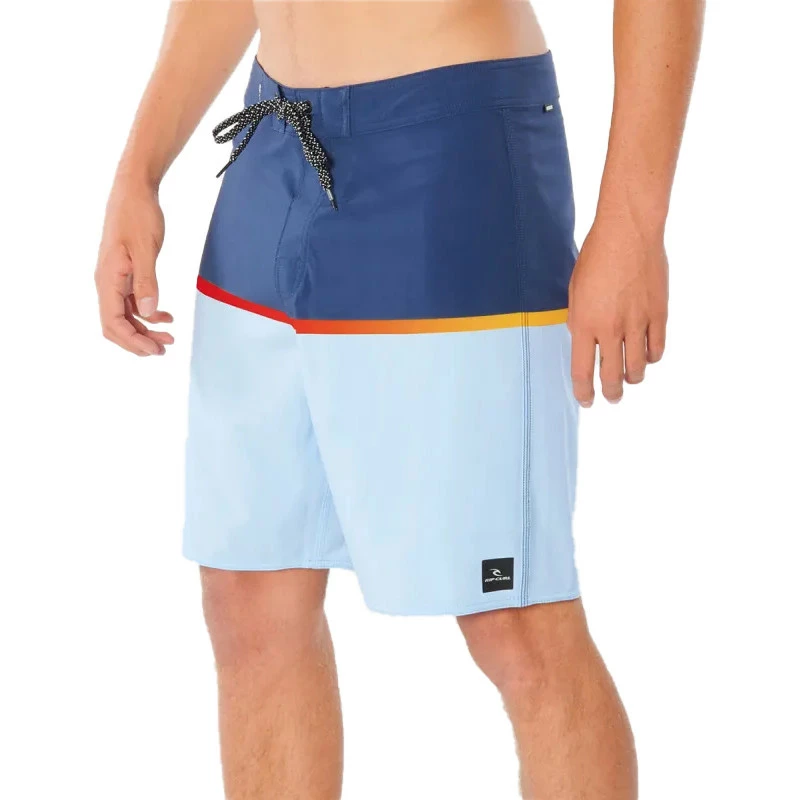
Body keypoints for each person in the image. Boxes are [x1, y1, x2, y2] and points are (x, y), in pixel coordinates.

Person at [94, 1, 704, 797]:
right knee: (250, 594)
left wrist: (633, 223)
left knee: (515, 619)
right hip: (271, 149)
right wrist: (138, 170)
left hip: (446, 153)